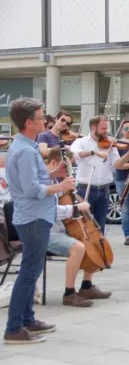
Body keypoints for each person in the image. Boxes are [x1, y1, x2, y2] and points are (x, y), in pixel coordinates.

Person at [4, 98, 75, 344]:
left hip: (36, 215)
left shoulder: (28, 145)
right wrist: (61, 187)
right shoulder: (24, 150)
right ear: (28, 123)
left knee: (32, 271)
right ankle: (14, 328)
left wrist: (53, 174)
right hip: (33, 217)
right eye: (41, 117)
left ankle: (27, 319)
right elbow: (32, 189)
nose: (46, 121)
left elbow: (33, 180)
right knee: (29, 272)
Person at [45, 147, 112, 307]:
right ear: (54, 162)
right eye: (66, 166)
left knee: (96, 241)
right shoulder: (45, 183)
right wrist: (75, 208)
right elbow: (49, 213)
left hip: (62, 228)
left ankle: (86, 286)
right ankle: (69, 293)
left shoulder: (56, 181)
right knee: (79, 248)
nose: (69, 171)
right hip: (47, 231)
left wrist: (73, 197)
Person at [70, 116, 129, 230]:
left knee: (100, 226)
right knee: (82, 225)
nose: (106, 131)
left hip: (104, 189)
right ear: (93, 127)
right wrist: (94, 152)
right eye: (103, 128)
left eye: (107, 128)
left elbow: (118, 164)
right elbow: (74, 154)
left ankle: (100, 247)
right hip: (85, 188)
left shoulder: (110, 144)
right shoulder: (81, 142)